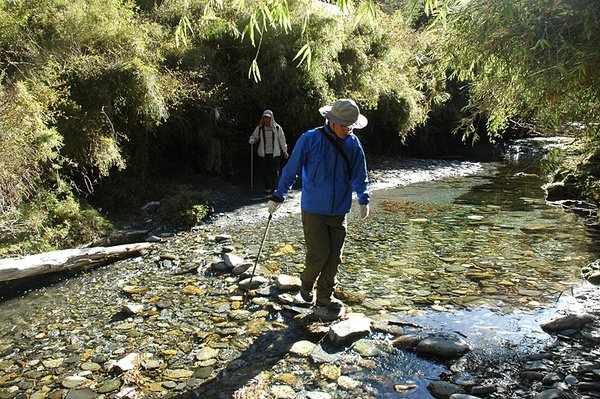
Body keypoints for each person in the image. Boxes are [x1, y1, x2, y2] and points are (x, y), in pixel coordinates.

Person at [267, 99, 370, 309]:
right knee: (320, 253)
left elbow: (360, 173)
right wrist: (279, 195)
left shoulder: (353, 143)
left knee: (335, 257)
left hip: (340, 210)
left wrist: (363, 198)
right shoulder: (310, 139)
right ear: (331, 121)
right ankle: (306, 283)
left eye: (351, 125)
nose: (347, 129)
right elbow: (291, 169)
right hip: (313, 209)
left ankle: (325, 296)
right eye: (343, 125)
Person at [248, 110, 288, 193]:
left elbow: (282, 140)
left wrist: (285, 151)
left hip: (275, 153)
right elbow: (254, 136)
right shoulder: (260, 128)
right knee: (264, 171)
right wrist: (252, 140)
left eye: (268, 118)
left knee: (275, 172)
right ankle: (267, 188)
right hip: (263, 153)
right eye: (265, 117)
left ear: (271, 118)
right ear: (262, 118)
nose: (266, 119)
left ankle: (274, 188)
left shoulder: (277, 128)